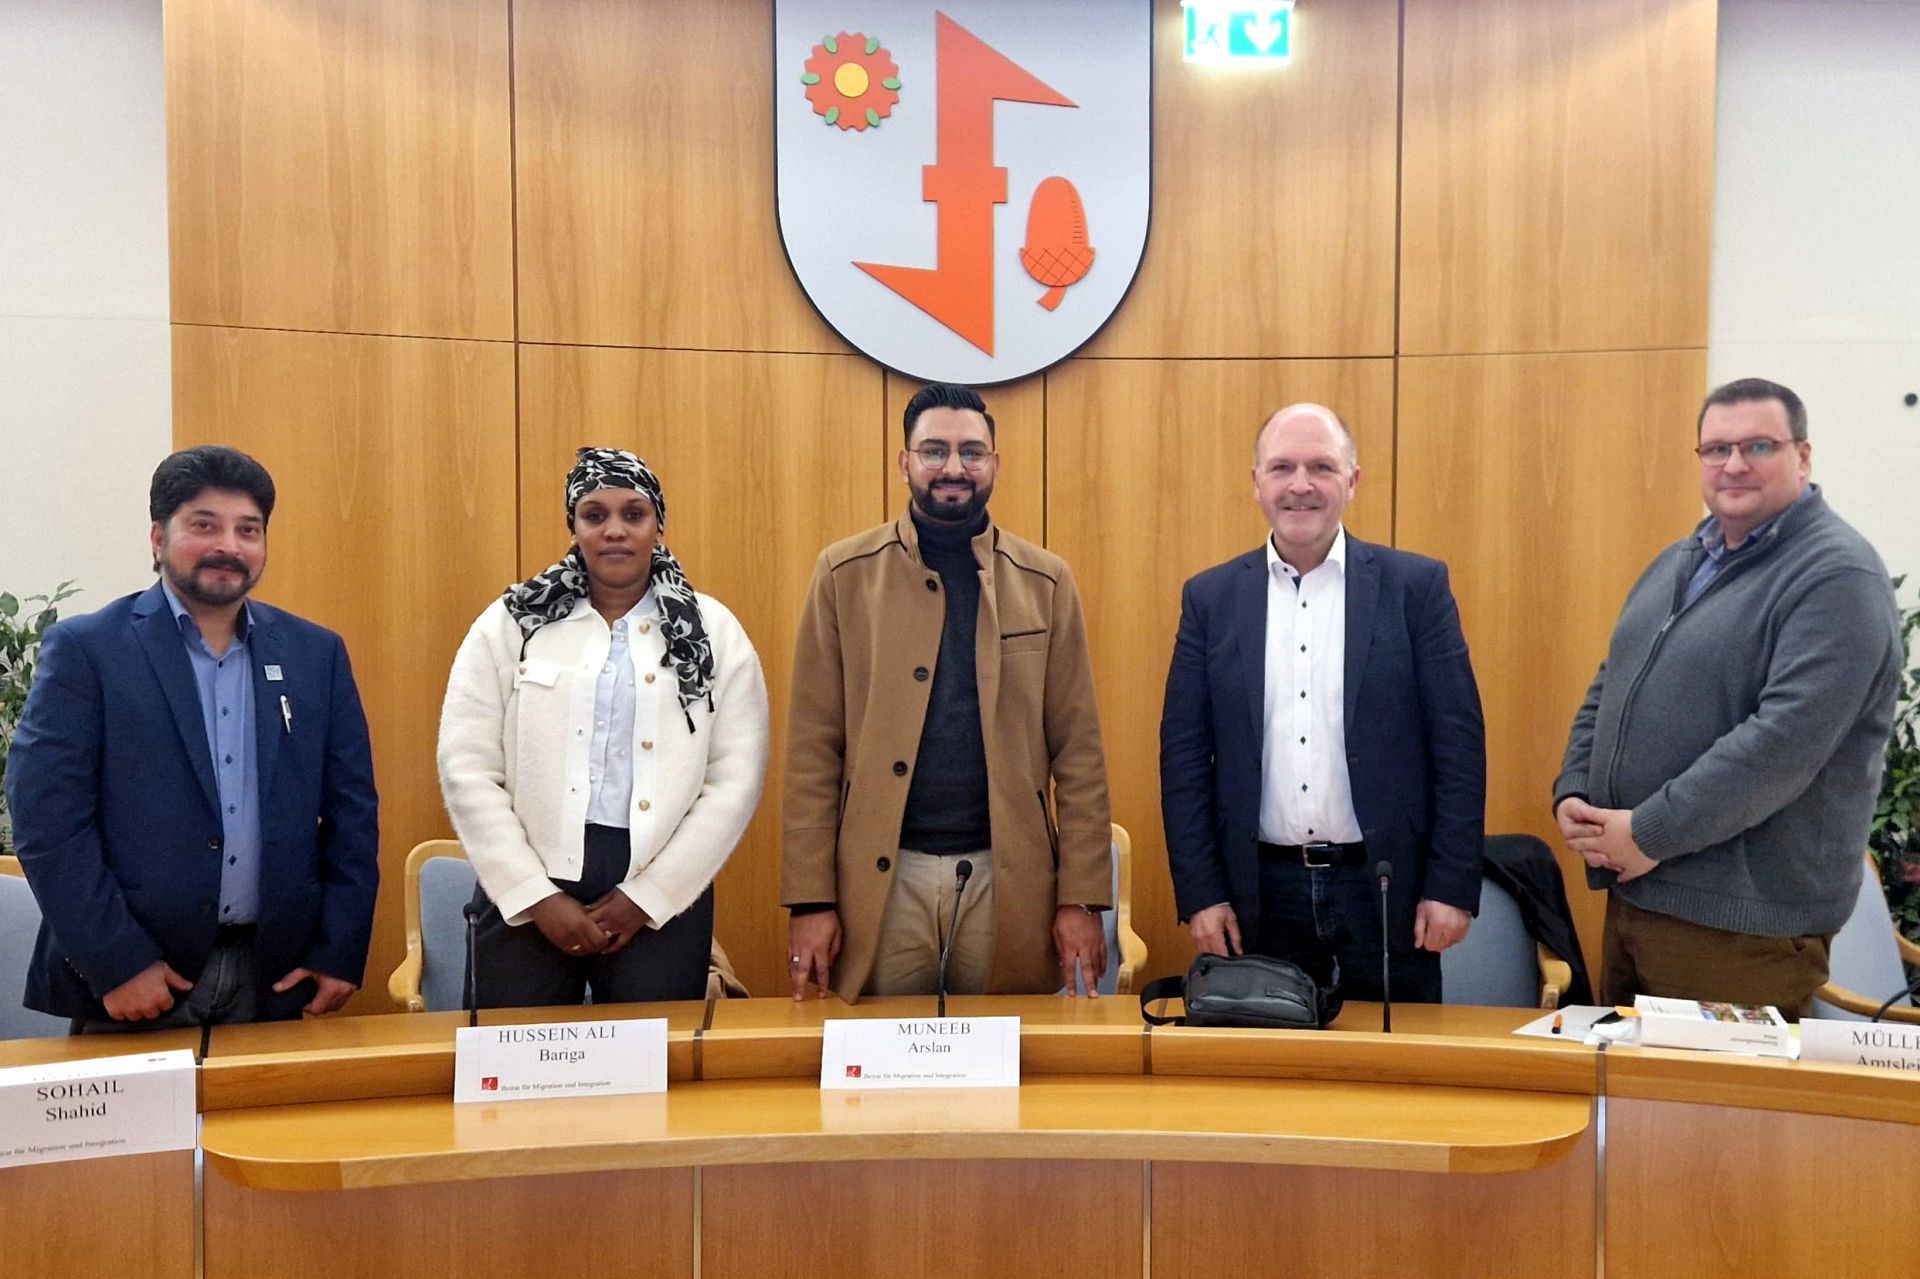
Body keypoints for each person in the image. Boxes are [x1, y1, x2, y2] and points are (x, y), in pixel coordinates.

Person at [1554, 378, 1900, 1015]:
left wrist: (1648, 832)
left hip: (1742, 927)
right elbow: (1612, 680)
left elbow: (1781, 745)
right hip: (1640, 898)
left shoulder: (1836, 575)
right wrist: (1576, 786)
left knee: (1721, 1116)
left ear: (1803, 455)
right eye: (1716, 449)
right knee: (1634, 1111)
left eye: (1758, 446)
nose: (1733, 464)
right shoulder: (1682, 559)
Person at [7, 445, 379, 1030]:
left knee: (279, 1127)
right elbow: (47, 820)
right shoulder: (88, 650)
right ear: (158, 539)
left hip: (277, 976)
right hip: (135, 981)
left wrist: (339, 950)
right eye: (204, 525)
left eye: (248, 529)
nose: (228, 546)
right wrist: (117, 961)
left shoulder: (315, 654)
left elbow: (352, 814)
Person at [783, 383, 1111, 1001]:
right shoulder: (843, 575)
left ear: (994, 463)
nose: (954, 468)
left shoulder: (1045, 581)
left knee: (1007, 1072)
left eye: (971, 452)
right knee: (880, 1076)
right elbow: (811, 750)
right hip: (882, 877)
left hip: (1007, 876)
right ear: (904, 461)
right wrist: (810, 897)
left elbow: (1080, 754)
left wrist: (1081, 897)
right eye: (934, 451)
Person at [1160, 403, 1486, 1002]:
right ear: (1256, 482)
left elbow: (1459, 747)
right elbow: (1183, 759)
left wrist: (1452, 884)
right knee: (1273, 1081)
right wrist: (1202, 893)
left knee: (1395, 1077)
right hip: (1260, 893)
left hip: (1387, 888)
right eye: (1282, 467)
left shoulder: (1416, 590)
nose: (1301, 485)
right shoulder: (1210, 599)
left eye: (1322, 467)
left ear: (1352, 482)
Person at [438, 448, 768, 1007]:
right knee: (517, 1070)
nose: (615, 530)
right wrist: (534, 896)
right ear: (574, 526)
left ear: (658, 527)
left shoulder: (713, 631)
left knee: (650, 1074)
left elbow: (735, 778)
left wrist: (650, 896)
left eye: (633, 514)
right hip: (526, 883)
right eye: (595, 515)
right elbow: (466, 764)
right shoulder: (512, 622)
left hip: (661, 892)